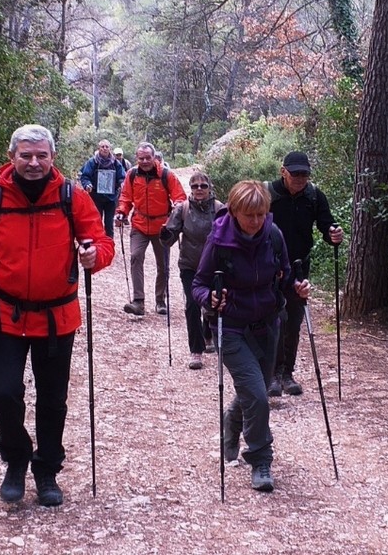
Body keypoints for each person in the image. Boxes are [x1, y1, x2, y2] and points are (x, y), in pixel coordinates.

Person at [0, 124, 115, 506]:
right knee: (5, 393)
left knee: (52, 400)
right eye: (26, 155)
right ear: (12, 157)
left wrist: (95, 257)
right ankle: (16, 458)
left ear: (52, 158)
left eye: (41, 155)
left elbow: (102, 242)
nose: (33, 162)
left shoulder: (71, 196)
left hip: (57, 317)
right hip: (4, 316)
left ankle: (46, 470)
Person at [192, 180, 310, 492]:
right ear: (233, 212)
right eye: (249, 216)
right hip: (231, 329)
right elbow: (199, 284)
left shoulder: (273, 235)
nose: (256, 222)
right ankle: (260, 459)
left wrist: (297, 288)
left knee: (251, 391)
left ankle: (231, 425)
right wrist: (210, 299)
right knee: (259, 395)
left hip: (269, 326)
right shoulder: (219, 241)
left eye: (261, 214)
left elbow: (284, 277)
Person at [264, 151, 343, 397]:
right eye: (295, 173)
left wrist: (333, 233)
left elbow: (325, 223)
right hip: (269, 266)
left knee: (294, 320)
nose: (300, 178)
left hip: (299, 267)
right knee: (273, 319)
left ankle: (287, 374)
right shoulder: (267, 193)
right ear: (283, 171)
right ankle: (272, 374)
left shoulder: (314, 196)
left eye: (305, 174)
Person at [160, 169, 225, 369]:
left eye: (203, 186)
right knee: (192, 305)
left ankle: (208, 336)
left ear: (209, 188)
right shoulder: (182, 209)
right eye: (195, 186)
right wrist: (165, 234)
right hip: (189, 265)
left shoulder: (220, 208)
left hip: (214, 266)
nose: (198, 189)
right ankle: (196, 351)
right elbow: (169, 239)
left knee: (213, 305)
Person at [115, 142, 186, 316]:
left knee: (163, 265)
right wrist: (121, 212)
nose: (145, 161)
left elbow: (180, 197)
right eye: (141, 158)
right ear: (136, 158)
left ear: (154, 157)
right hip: (139, 223)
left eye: (148, 157)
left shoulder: (166, 175)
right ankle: (138, 301)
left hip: (162, 226)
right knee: (135, 256)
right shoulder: (132, 175)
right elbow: (126, 198)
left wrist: (176, 213)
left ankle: (160, 300)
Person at [79, 139, 126, 237]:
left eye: (107, 147)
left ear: (110, 149)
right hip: (96, 198)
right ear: (98, 148)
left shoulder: (115, 163)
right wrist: (87, 184)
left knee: (109, 225)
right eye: (102, 147)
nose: (105, 149)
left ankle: (109, 247)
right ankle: (98, 244)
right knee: (97, 222)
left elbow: (122, 176)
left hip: (111, 199)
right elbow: (84, 176)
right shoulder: (92, 162)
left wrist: (122, 183)